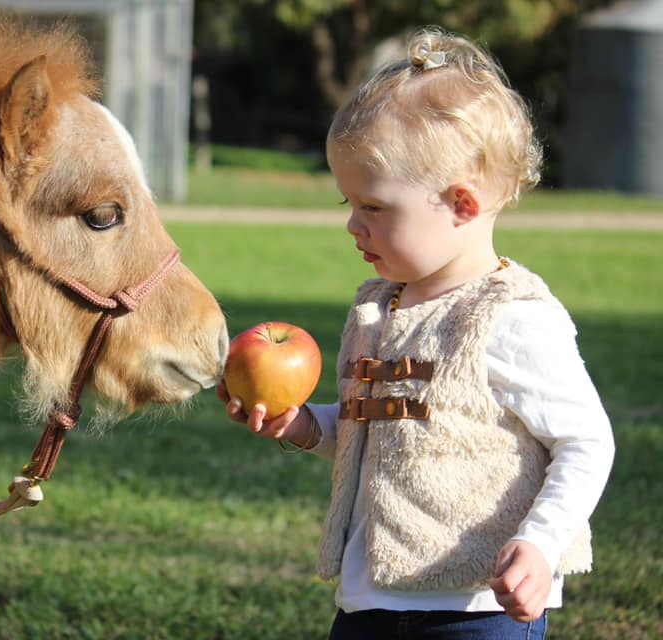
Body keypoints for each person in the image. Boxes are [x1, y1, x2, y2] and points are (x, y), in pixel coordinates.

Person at [217, 26, 614, 640]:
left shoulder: (511, 317)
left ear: (461, 203)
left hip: (477, 609)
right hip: (369, 603)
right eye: (348, 204)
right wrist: (301, 425)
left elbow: (587, 443)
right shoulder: (381, 307)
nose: (353, 225)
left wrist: (539, 544)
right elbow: (371, 425)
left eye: (373, 207)